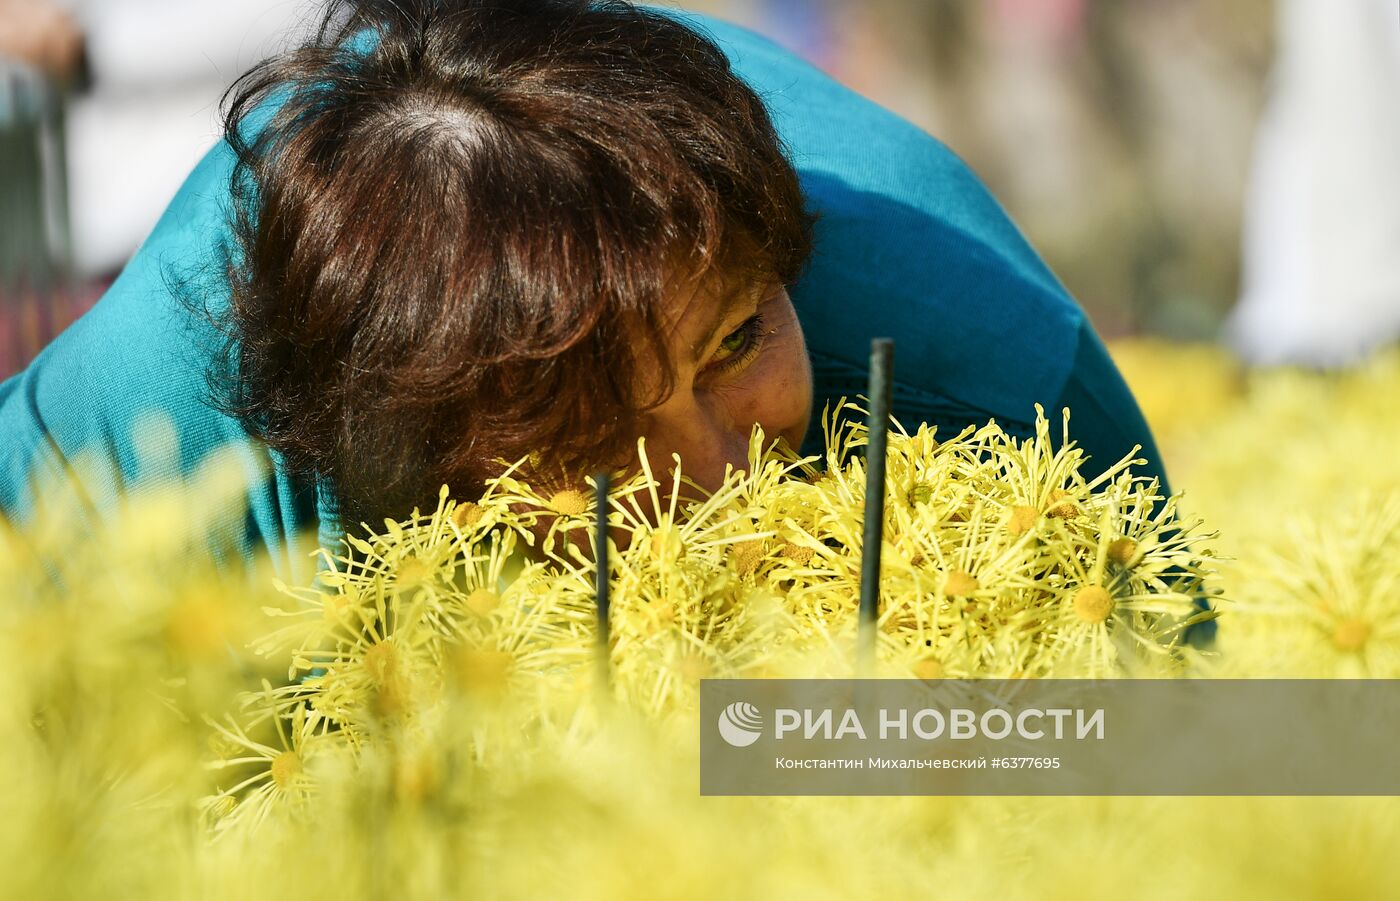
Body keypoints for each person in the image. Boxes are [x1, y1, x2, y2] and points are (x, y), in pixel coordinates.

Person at [0, 0, 1164, 583]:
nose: (715, 479)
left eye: (735, 341)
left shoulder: (997, 367)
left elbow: (1193, 739)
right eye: (588, 436)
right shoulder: (140, 438)